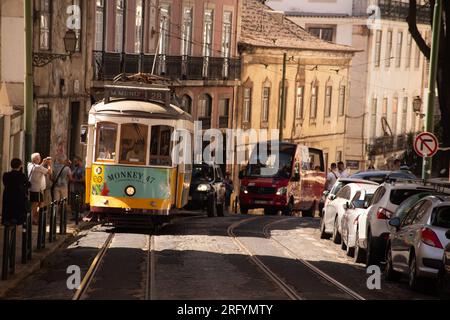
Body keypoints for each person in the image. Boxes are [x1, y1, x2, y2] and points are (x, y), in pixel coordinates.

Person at [1, 159, 30, 226]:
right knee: (16, 218)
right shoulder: (21, 175)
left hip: (8, 196)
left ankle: (7, 221)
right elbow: (28, 184)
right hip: (18, 197)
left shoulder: (6, 175)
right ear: (20, 165)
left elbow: (5, 183)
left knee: (8, 211)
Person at [28, 153, 52, 224]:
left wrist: (43, 163)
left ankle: (34, 219)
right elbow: (49, 172)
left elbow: (38, 168)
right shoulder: (39, 167)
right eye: (39, 158)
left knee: (37, 204)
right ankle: (33, 220)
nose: (40, 158)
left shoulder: (30, 165)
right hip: (37, 189)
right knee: (37, 205)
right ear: (36, 159)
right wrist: (49, 164)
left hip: (32, 188)